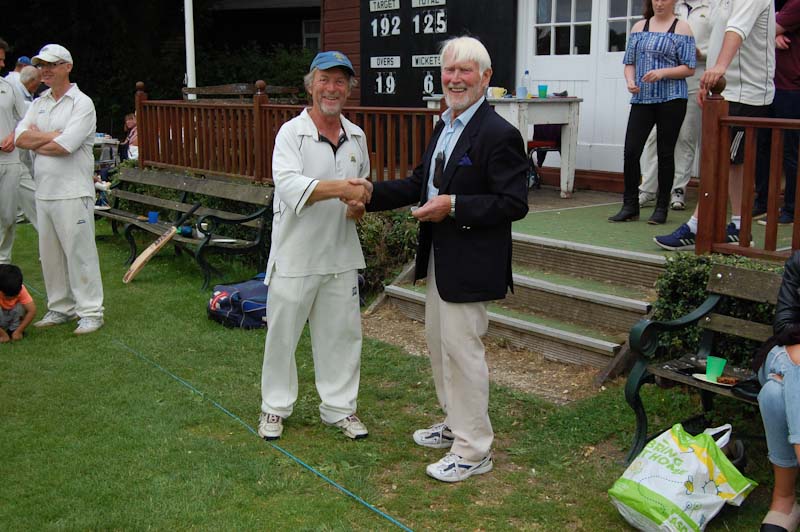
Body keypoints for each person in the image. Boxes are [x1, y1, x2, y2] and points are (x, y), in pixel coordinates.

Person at [353, 36, 529, 482]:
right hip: (439, 259)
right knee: (440, 345)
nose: (454, 78)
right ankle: (455, 424)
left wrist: (454, 206)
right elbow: (419, 184)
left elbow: (513, 203)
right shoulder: (445, 124)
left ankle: (475, 450)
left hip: (472, 262)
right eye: (449, 70)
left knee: (464, 353)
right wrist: (370, 193)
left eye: (465, 70)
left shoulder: (499, 133)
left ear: (486, 78)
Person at [257, 51, 372, 442]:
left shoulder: (357, 136)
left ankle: (339, 409)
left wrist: (357, 204)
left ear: (349, 89)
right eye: (325, 79)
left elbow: (359, 193)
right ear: (311, 85)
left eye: (341, 81)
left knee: (341, 336)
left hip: (340, 255)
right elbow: (290, 187)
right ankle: (274, 408)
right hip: (294, 255)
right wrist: (345, 189)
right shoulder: (291, 134)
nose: (332, 88)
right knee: (282, 336)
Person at [655, 0, 776, 250]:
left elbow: (737, 30)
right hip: (725, 90)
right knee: (732, 163)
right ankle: (739, 225)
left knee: (721, 159)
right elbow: (718, 37)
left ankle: (696, 226)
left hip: (746, 91)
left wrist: (719, 69)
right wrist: (708, 81)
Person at [15, 44, 105, 335]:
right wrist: (50, 136)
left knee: (80, 254)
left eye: (52, 64)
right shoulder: (38, 103)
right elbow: (19, 138)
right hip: (44, 191)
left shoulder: (82, 103)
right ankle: (60, 308)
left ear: (68, 66)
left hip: (73, 191)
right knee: (50, 255)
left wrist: (42, 139)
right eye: (42, 65)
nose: (46, 70)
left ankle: (91, 311)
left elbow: (64, 146)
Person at [609, 0, 696, 225]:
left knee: (665, 153)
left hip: (672, 98)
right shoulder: (640, 27)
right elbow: (629, 62)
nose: (659, 3)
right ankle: (630, 205)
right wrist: (630, 80)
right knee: (631, 151)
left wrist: (663, 73)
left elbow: (689, 67)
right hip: (642, 98)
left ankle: (661, 207)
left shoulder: (682, 28)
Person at [638, 0, 713, 212]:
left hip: (694, 79)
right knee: (654, 136)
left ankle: (677, 190)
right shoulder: (672, 6)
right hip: (662, 82)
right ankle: (648, 189)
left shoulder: (711, 8)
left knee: (685, 136)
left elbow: (718, 44)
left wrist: (701, 53)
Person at [754, 250, 800, 531]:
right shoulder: (799, 263)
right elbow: (784, 328)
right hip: (782, 356)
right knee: (797, 361)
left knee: (773, 394)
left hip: (782, 375)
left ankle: (784, 499)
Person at [756, 0, 800, 225]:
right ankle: (761, 202)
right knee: (762, 146)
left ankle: (791, 210)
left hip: (790, 89)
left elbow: (756, 28)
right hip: (769, 84)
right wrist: (772, 37)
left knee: (790, 151)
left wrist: (769, 36)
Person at [0, 38, 33, 265]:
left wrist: (13, 134)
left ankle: (3, 263)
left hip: (9, 160)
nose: (3, 64)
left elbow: (25, 120)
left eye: (3, 59)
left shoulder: (9, 87)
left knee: (8, 216)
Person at [12, 65, 41, 230]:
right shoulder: (20, 98)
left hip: (20, 160)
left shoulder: (26, 98)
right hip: (13, 158)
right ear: (32, 81)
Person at [0, 263, 35, 342]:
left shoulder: (20, 288)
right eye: (6, 296)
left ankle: (13, 330)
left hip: (12, 318)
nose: (10, 298)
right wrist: (2, 335)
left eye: (15, 295)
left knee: (21, 306)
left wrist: (18, 331)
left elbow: (32, 311)